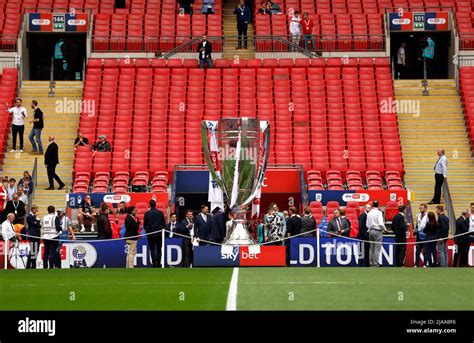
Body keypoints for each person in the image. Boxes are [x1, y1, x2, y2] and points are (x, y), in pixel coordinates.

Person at [144, 200, 166, 267]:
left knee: (152, 249)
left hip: (150, 233)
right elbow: (164, 224)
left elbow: (145, 225)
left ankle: (154, 264)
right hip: (159, 233)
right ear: (155, 204)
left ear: (149, 205)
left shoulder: (147, 213)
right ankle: (158, 263)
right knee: (159, 248)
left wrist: (147, 229)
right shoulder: (160, 212)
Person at [366, 200, 387, 267]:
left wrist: (370, 228)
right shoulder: (379, 212)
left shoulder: (369, 213)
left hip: (371, 231)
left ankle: (371, 263)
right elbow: (381, 223)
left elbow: (367, 224)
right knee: (377, 248)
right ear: (378, 205)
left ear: (372, 205)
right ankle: (376, 263)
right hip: (377, 231)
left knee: (371, 248)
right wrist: (385, 229)